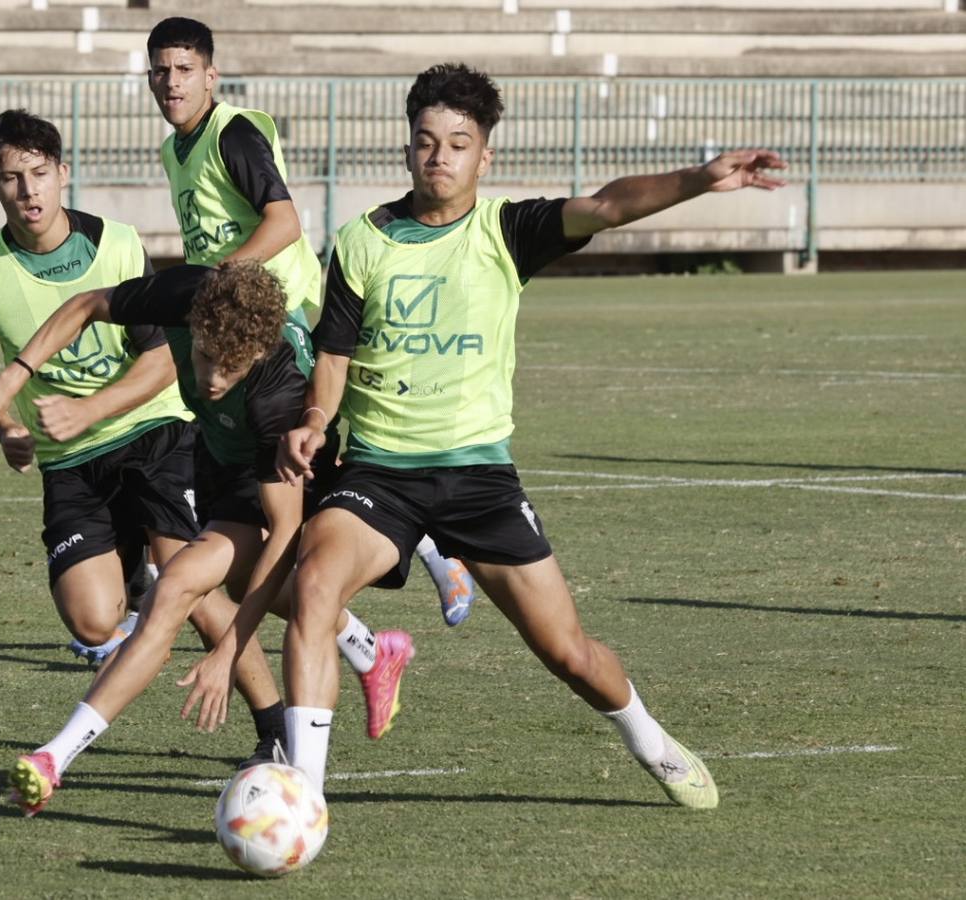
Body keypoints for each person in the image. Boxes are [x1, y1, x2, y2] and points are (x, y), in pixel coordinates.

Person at [276, 62, 788, 808]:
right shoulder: (362, 240)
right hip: (379, 476)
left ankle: (650, 740)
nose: (439, 156)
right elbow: (333, 354)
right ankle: (305, 796)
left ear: (487, 156)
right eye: (426, 141)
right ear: (406, 149)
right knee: (315, 586)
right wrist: (317, 420)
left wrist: (703, 178)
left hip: (479, 478)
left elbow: (608, 206)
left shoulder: (507, 230)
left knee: (568, 653)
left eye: (458, 143)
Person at [0, 259, 416, 816]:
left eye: (229, 367)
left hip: (286, 477)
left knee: (186, 584)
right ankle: (372, 649)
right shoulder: (188, 295)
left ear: (258, 355)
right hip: (216, 457)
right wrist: (8, 383)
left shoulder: (276, 397)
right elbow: (87, 305)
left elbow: (285, 528)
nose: (212, 377)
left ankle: (54, 757)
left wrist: (230, 651)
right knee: (218, 585)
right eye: (206, 356)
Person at [0, 110, 288, 802]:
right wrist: (6, 420)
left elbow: (164, 360)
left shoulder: (119, 247)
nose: (29, 191)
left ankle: (275, 726)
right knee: (93, 620)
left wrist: (91, 409)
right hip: (69, 459)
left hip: (156, 436)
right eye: (12, 179)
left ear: (63, 173)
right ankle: (137, 579)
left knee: (192, 590)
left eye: (40, 173)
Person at [146, 15, 479, 627]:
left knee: (299, 473)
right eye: (162, 71)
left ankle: (434, 546)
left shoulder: (233, 133)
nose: (173, 82)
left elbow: (284, 223)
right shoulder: (174, 148)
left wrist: (219, 279)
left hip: (281, 321)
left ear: (211, 76)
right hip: (233, 325)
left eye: (186, 70)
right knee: (280, 480)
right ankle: (367, 624)